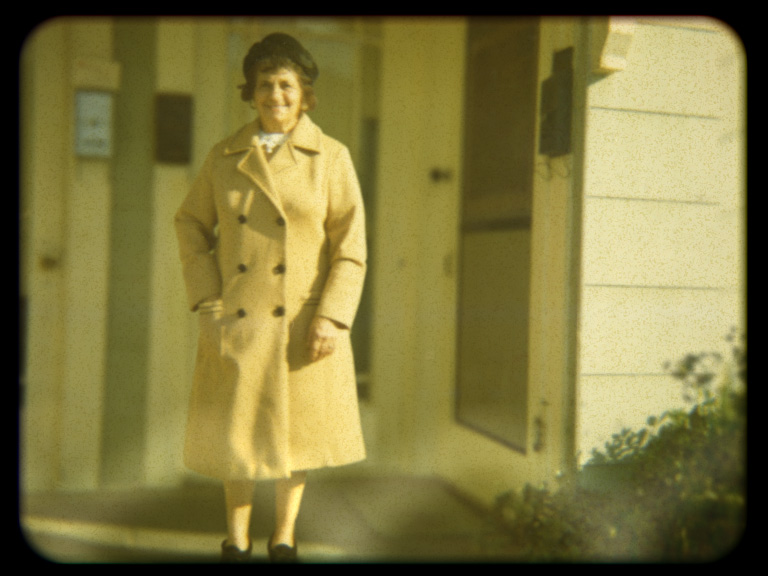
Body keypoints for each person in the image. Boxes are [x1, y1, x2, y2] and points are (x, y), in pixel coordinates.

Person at [174, 32, 367, 563]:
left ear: (304, 95)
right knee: (237, 440)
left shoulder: (332, 157)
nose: (275, 95)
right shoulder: (225, 156)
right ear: (250, 92)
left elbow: (351, 247)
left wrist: (333, 317)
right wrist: (206, 299)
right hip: (238, 320)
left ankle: (284, 539)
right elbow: (190, 223)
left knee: (295, 438)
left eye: (286, 85)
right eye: (264, 84)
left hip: (303, 321)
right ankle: (236, 543)